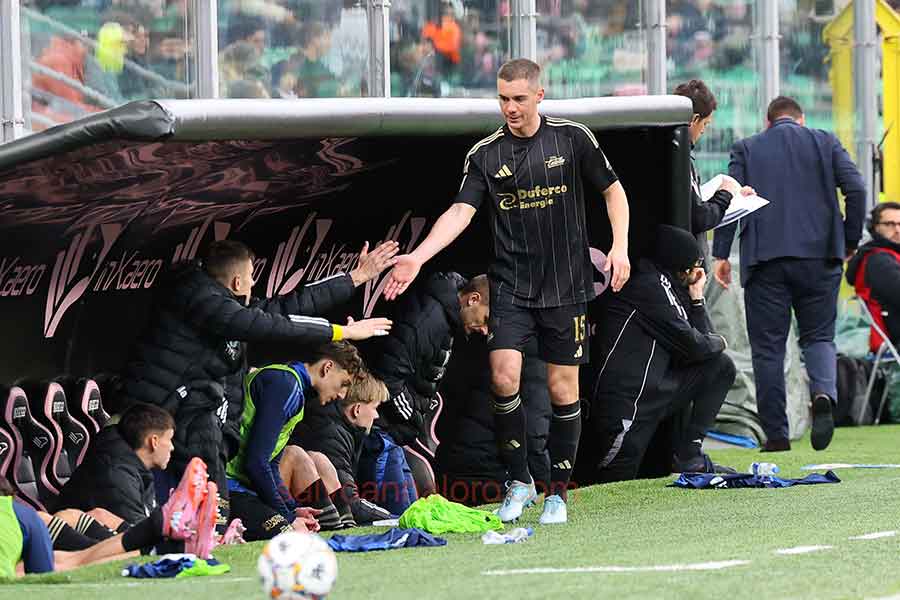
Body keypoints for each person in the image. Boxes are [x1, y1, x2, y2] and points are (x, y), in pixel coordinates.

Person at [385, 58, 631, 524]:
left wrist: (619, 247)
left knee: (562, 388)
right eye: (503, 99)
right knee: (503, 378)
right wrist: (418, 256)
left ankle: (557, 493)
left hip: (564, 287)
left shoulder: (572, 139)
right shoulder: (485, 154)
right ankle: (519, 482)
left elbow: (613, 192)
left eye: (518, 99)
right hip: (510, 288)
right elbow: (460, 212)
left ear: (539, 96)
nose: (510, 108)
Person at [120, 239, 394, 531]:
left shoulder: (228, 309)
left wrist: (356, 278)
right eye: (251, 277)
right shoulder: (203, 300)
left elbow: (286, 307)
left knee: (214, 519)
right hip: (155, 423)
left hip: (198, 436)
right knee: (173, 519)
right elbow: (258, 460)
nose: (254, 284)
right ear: (237, 282)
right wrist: (340, 331)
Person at [712, 96, 866, 452]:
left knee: (768, 349)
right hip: (821, 257)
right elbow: (856, 188)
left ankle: (777, 435)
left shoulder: (747, 148)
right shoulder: (826, 141)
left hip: (765, 261)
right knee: (819, 337)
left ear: (768, 122)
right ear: (802, 119)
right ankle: (823, 393)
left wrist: (721, 253)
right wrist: (849, 239)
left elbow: (730, 196)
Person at [585, 225, 736, 483]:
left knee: (721, 366)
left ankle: (690, 455)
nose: (695, 275)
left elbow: (705, 353)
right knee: (614, 484)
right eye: (692, 268)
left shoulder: (666, 285)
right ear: (679, 267)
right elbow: (698, 346)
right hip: (626, 409)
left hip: (654, 397)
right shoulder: (648, 285)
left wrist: (697, 299)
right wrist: (721, 340)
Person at [364, 272, 489, 496]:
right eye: (486, 319)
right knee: (403, 508)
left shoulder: (448, 316)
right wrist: (412, 416)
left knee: (420, 503)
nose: (485, 330)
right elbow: (388, 377)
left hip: (399, 434)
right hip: (381, 431)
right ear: (473, 299)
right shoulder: (428, 318)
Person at [225, 342, 365, 541]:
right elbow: (256, 463)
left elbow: (272, 465)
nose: (342, 395)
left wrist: (292, 509)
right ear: (327, 367)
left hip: (240, 487)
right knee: (288, 533)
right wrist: (288, 517)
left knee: (298, 529)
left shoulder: (293, 388)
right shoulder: (285, 384)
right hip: (225, 485)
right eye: (344, 384)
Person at [2, 457, 218, 576]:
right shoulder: (22, 515)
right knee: (59, 561)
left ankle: (161, 540)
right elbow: (42, 575)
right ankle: (159, 536)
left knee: (63, 554)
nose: (171, 447)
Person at [291, 373, 396, 524]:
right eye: (375, 408)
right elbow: (350, 503)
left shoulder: (338, 428)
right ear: (357, 409)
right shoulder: (331, 434)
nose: (377, 416)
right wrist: (393, 518)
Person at [54, 403, 173, 527]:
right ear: (154, 441)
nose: (172, 447)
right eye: (169, 439)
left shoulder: (136, 468)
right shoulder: (116, 476)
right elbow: (136, 534)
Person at [671, 79, 750, 260]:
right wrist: (724, 195)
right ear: (694, 119)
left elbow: (690, 205)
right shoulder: (677, 158)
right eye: (705, 124)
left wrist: (734, 196)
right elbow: (699, 217)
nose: (704, 131)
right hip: (682, 263)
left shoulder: (676, 154)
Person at [846, 201, 900, 421]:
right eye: (890, 224)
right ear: (875, 228)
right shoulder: (879, 260)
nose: (897, 229)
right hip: (892, 336)